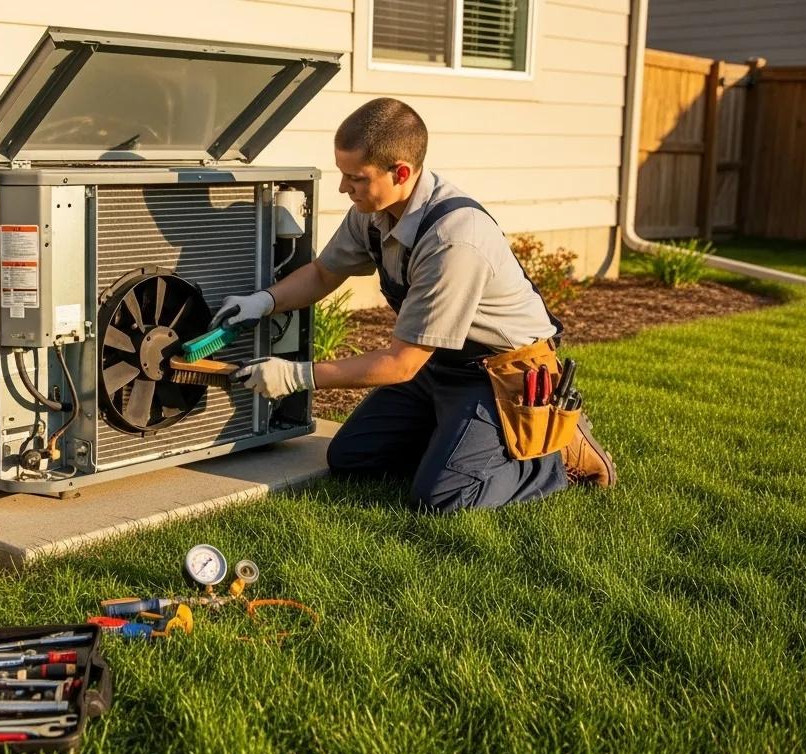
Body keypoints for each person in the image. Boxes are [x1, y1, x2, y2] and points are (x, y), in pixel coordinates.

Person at [218, 98, 615, 511]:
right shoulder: (371, 212)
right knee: (352, 458)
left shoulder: (454, 239)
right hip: (438, 364)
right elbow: (322, 273)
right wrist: (263, 301)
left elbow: (401, 364)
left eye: (355, 178)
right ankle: (456, 441)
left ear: (401, 172)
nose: (343, 188)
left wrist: (297, 376)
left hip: (499, 375)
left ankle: (552, 453)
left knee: (441, 497)